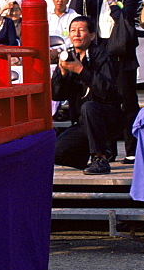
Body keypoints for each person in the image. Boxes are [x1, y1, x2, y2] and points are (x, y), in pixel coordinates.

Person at [86, 0, 140, 162]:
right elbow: (80, 12)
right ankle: (107, 150)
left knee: (127, 102)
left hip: (123, 54)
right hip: (102, 53)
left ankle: (132, 150)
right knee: (103, 100)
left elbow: (124, 20)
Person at [52, 16, 122, 174]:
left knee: (90, 107)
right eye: (72, 31)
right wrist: (62, 73)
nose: (76, 34)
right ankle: (84, 158)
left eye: (81, 30)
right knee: (56, 152)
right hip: (83, 122)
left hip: (108, 117)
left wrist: (80, 70)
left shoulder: (104, 56)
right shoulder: (69, 56)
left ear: (92, 35)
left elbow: (106, 90)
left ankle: (100, 158)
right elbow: (56, 95)